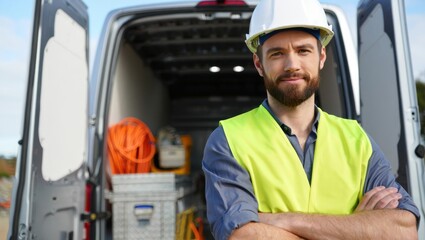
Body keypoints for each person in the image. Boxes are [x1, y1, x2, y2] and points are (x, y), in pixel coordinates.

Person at [201, 0, 420, 239]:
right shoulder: (228, 140)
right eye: (277, 54)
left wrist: (282, 220)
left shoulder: (356, 138)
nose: (292, 65)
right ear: (259, 64)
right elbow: (242, 236)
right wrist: (357, 228)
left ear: (321, 57)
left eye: (303, 51)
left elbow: (404, 230)